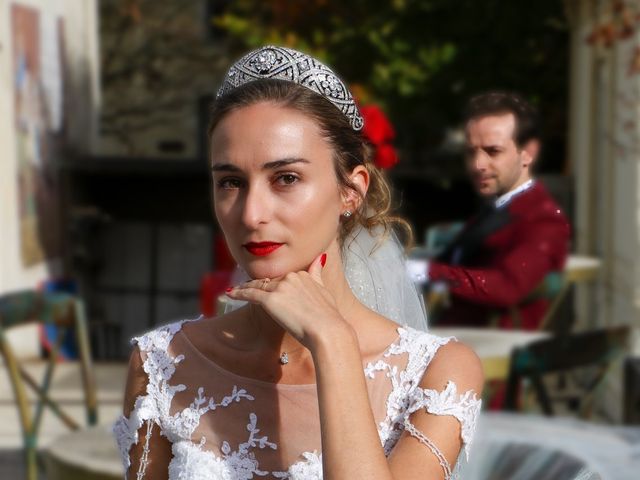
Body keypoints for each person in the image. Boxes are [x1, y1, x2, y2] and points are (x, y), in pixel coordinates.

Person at [113, 45, 482, 480]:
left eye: (286, 178)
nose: (251, 214)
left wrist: (333, 342)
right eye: (230, 182)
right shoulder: (160, 363)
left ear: (351, 190)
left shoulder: (437, 374)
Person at [419, 91, 570, 330]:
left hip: (485, 351)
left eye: (493, 151)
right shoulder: (498, 207)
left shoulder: (542, 218)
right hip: (446, 336)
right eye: (471, 152)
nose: (478, 164)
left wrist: (427, 272)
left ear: (528, 153)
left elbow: (507, 287)